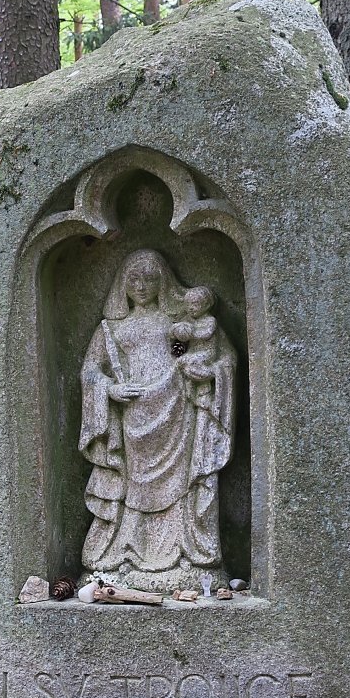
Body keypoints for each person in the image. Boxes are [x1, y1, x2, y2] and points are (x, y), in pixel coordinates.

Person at [78, 250, 235, 589]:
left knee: (179, 482)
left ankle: (182, 549)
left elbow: (220, 355)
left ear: (162, 282)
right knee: (132, 481)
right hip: (132, 414)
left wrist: (204, 370)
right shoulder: (113, 328)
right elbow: (90, 371)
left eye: (149, 279)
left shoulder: (178, 322)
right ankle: (126, 548)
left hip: (176, 410)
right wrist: (110, 389)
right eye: (134, 279)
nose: (141, 285)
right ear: (123, 284)